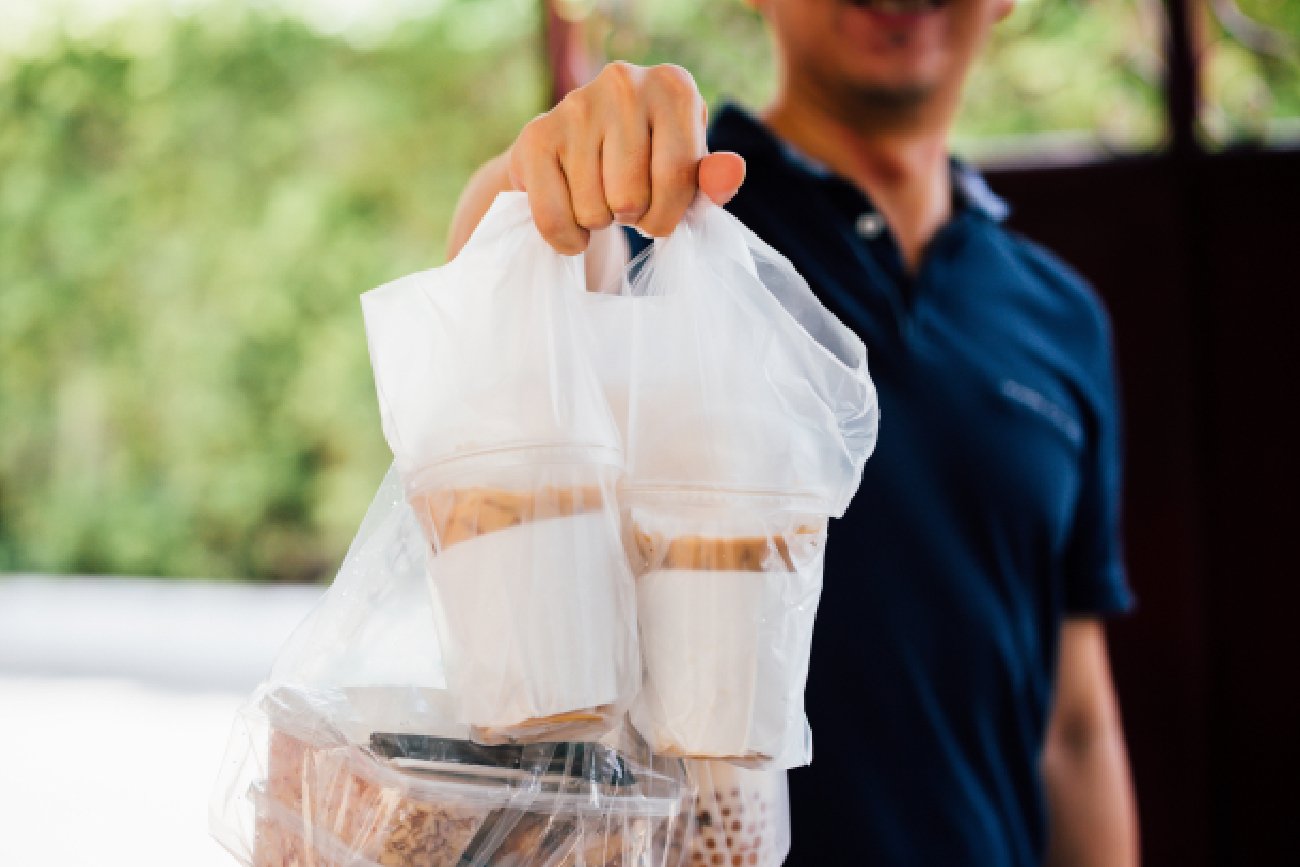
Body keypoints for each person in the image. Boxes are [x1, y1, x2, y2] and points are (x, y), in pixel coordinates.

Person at [445, 0, 1139, 864]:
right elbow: (501, 297)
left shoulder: (1061, 318)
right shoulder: (663, 218)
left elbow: (1074, 724)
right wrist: (540, 170)